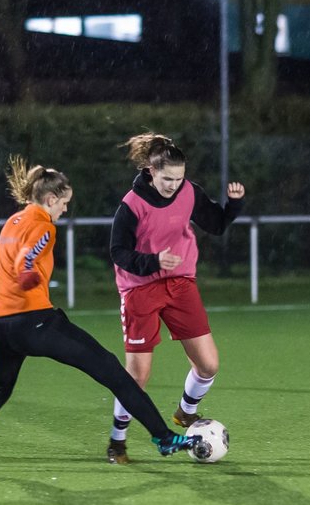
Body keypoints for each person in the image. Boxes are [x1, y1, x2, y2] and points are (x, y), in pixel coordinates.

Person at [0, 156, 198, 471]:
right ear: (50, 199)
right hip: (33, 321)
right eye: (64, 203)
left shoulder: (13, 221)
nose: (65, 210)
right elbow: (26, 260)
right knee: (113, 371)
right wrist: (27, 273)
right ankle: (163, 437)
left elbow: (17, 257)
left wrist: (24, 271)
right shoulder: (42, 225)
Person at [104, 132, 245, 464]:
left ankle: (186, 413)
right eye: (167, 178)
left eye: (179, 178)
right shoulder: (131, 205)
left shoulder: (189, 192)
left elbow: (216, 224)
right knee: (137, 375)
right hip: (139, 289)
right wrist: (152, 262)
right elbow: (117, 252)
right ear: (151, 173)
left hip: (180, 284)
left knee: (208, 364)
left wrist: (234, 207)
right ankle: (117, 441)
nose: (173, 185)